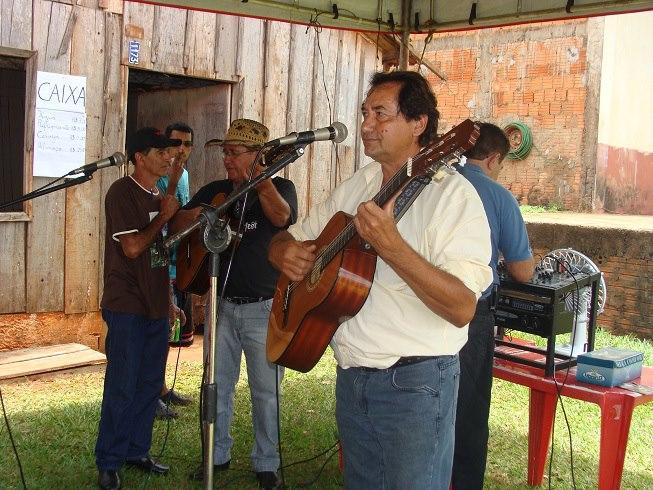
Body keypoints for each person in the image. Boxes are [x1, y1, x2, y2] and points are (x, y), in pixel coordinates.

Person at [268, 71, 493, 490]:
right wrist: (282, 252)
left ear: (419, 124)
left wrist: (393, 247)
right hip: (353, 377)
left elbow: (463, 307)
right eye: (364, 113)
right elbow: (290, 238)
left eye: (380, 114)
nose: (366, 125)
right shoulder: (360, 184)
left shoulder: (453, 198)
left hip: (415, 386)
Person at [171, 119, 297, 489]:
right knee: (216, 384)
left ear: (257, 156)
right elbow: (177, 221)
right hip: (222, 305)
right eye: (225, 152)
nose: (226, 158)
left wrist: (261, 181)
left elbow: (282, 217)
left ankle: (267, 463)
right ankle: (216, 455)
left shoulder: (281, 187)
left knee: (267, 392)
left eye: (234, 152)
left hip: (263, 307)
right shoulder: (216, 191)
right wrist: (202, 215)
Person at [95, 127, 181, 490]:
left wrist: (169, 300)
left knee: (148, 385)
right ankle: (109, 462)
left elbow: (158, 255)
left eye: (168, 152)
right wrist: (163, 217)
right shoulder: (122, 192)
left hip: (155, 306)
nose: (168, 158)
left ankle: (136, 451)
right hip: (127, 304)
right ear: (139, 158)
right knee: (123, 385)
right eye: (160, 152)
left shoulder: (159, 195)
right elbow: (132, 248)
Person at [451, 123, 535, 489]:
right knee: (469, 411)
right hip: (472, 313)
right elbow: (523, 271)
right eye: (500, 165)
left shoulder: (437, 182)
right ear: (494, 158)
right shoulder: (499, 196)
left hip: (427, 303)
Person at [154, 122, 195, 419]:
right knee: (157, 330)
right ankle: (151, 394)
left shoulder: (185, 175)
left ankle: (162, 388)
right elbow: (160, 217)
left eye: (187, 144)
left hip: (176, 261)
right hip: (157, 261)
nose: (181, 149)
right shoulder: (158, 173)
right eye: (176, 143)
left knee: (169, 328)